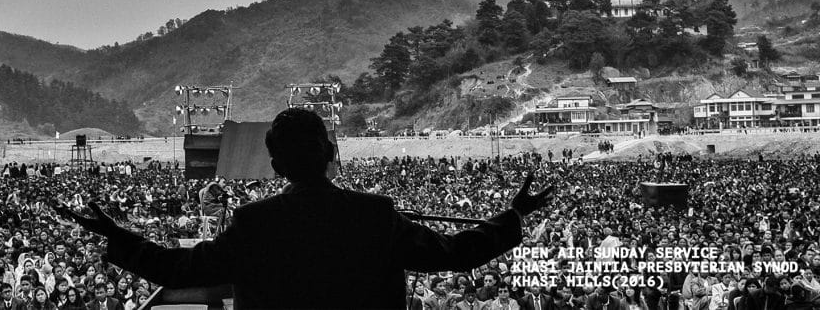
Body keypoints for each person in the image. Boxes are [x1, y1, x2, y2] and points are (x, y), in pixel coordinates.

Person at [58, 108, 554, 310]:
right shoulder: (376, 215)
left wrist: (118, 236)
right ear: (331, 152)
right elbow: (457, 253)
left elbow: (179, 269)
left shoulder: (255, 224)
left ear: (276, 165)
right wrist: (513, 216)